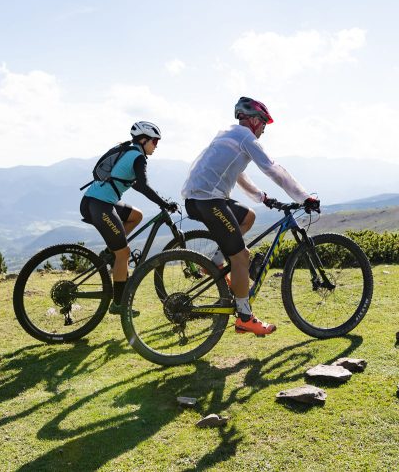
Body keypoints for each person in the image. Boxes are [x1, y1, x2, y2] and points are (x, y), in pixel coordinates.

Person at [182, 97, 320, 336]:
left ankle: (215, 262)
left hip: (201, 197)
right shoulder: (246, 137)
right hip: (208, 199)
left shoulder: (229, 135)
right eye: (264, 123)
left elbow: (237, 175)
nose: (264, 129)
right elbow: (272, 168)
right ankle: (245, 317)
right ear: (254, 121)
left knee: (248, 217)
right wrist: (304, 197)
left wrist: (262, 197)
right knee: (242, 256)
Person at [80, 121, 178, 316]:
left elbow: (132, 182)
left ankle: (111, 253)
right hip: (100, 205)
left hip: (94, 201)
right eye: (155, 141)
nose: (156, 146)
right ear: (144, 140)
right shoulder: (138, 158)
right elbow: (142, 185)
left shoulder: (128, 150)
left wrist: (159, 198)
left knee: (136, 216)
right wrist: (164, 204)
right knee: (123, 253)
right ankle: (118, 304)